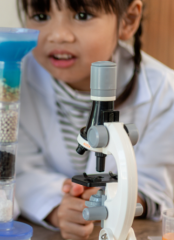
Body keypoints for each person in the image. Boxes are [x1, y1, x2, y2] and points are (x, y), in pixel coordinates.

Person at [13, 0, 174, 239]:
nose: (58, 35)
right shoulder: (13, 81)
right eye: (41, 15)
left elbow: (156, 187)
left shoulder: (164, 92)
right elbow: (17, 169)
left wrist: (117, 199)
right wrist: (59, 207)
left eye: (81, 15)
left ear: (127, 21)